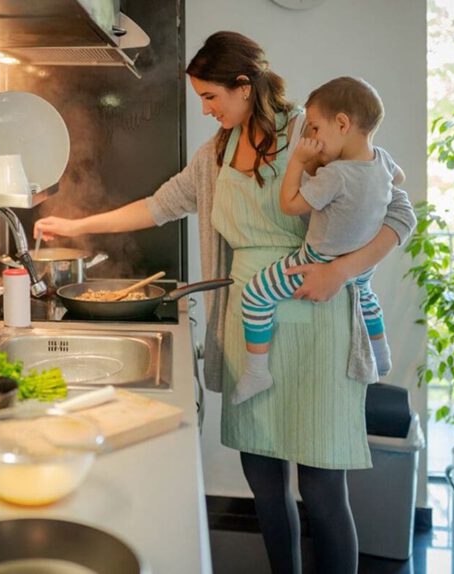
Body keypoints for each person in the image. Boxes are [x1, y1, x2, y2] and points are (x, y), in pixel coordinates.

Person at [34, 31, 415, 574]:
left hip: (318, 320)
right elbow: (159, 205)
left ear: (244, 85)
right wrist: (76, 225)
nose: (206, 110)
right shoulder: (215, 154)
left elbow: (398, 211)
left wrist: (340, 271)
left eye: (211, 97)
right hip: (250, 323)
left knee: (323, 488)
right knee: (264, 486)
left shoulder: (308, 131)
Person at [235, 77, 405, 405]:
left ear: (342, 123)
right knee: (366, 296)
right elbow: (400, 179)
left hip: (317, 259)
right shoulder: (382, 160)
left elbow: (290, 205)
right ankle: (381, 356)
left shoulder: (335, 175)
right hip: (361, 263)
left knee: (255, 294)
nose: (311, 137)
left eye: (314, 128)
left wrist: (298, 162)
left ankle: (257, 372)